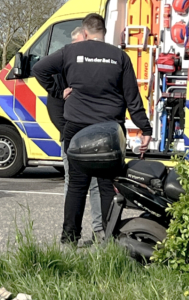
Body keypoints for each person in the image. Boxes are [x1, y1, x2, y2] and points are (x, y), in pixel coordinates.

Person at [33, 13, 152, 245]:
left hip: (76, 129)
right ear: (104, 33)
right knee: (108, 187)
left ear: (85, 32)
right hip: (109, 131)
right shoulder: (119, 57)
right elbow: (132, 98)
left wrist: (59, 91)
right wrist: (144, 129)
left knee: (77, 187)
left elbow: (39, 69)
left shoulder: (69, 52)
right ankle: (107, 240)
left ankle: (69, 240)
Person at [44, 26, 104, 242]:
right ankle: (71, 235)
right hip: (73, 139)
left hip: (97, 138)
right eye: (76, 45)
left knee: (97, 184)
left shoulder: (95, 71)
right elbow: (53, 108)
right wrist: (68, 133)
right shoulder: (62, 72)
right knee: (75, 185)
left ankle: (100, 231)